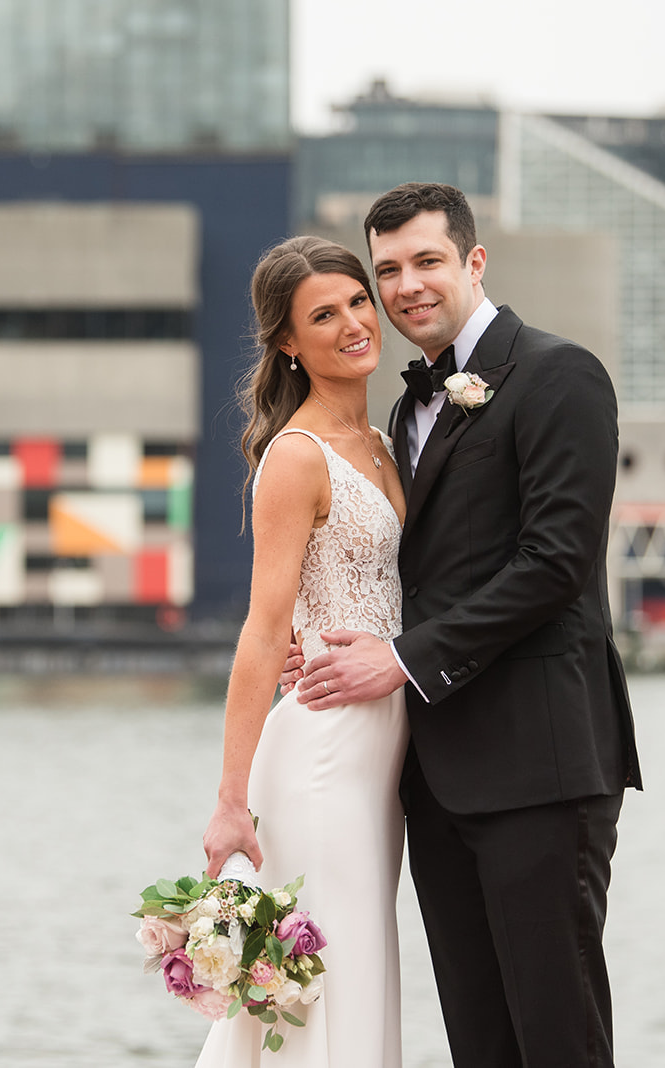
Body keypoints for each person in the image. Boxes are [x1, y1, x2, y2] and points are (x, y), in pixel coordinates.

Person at [289, 183, 643, 1067]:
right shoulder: (402, 412)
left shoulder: (560, 374)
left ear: (474, 261)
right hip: (435, 780)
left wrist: (403, 662)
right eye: (388, 271)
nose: (407, 286)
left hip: (541, 765)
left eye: (426, 261)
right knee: (480, 1044)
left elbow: (557, 562)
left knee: (556, 1038)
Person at [194, 235, 410, 1067]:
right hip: (321, 748)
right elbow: (261, 631)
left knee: (359, 968)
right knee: (326, 976)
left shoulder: (386, 444)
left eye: (359, 300)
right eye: (325, 315)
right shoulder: (295, 456)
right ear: (288, 342)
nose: (354, 322)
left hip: (384, 751)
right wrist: (229, 800)